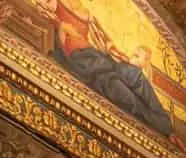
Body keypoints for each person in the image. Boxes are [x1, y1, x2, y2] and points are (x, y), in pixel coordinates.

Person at [52, 0, 175, 136]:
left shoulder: (87, 13)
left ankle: (163, 120)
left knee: (136, 74)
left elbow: (99, 38)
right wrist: (63, 35)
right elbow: (61, 47)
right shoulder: (57, 4)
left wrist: (108, 51)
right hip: (87, 64)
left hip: (100, 57)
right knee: (126, 95)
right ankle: (161, 126)